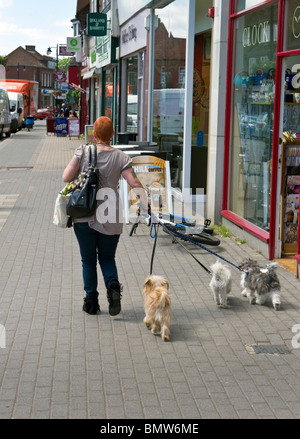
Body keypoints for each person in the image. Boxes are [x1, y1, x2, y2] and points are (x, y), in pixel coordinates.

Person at [62, 116, 146, 316]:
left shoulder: (83, 151)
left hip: (84, 213)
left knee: (88, 260)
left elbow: (66, 177)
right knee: (107, 258)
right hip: (110, 214)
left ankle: (91, 302)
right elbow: (133, 183)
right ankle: (114, 288)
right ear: (113, 134)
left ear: (94, 135)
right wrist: (146, 204)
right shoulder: (121, 157)